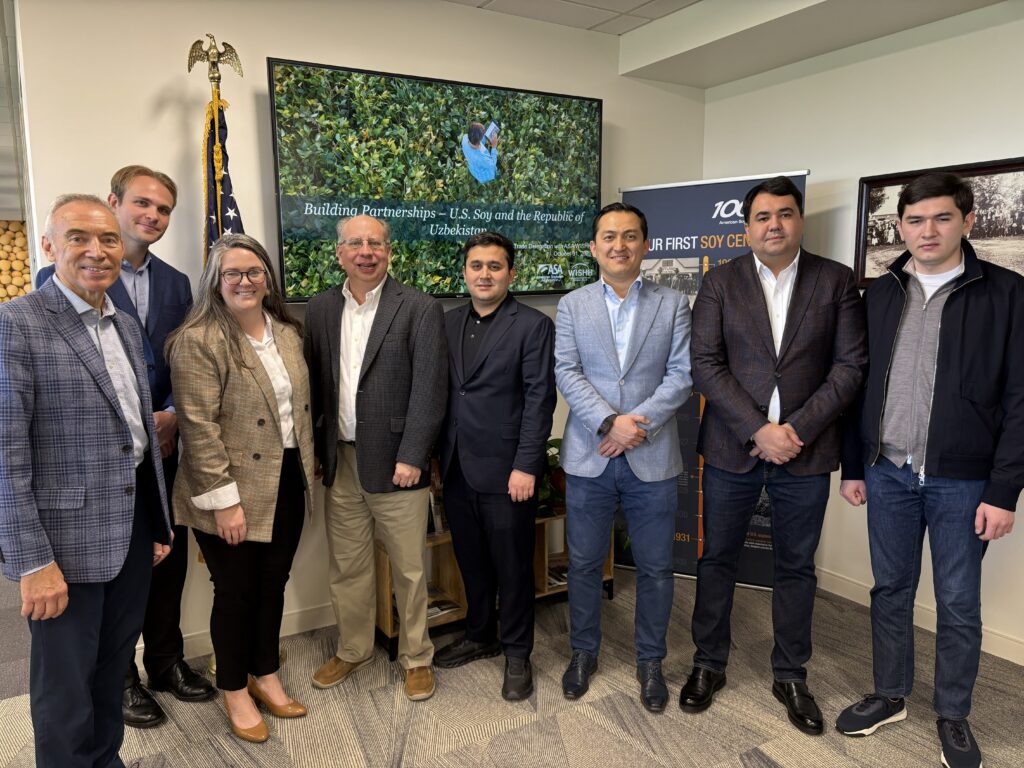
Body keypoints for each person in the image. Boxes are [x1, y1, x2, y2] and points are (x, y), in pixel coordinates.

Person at [836, 172, 1022, 768]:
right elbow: (857, 384)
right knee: (890, 589)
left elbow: (1021, 401)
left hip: (963, 481)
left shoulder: (1007, 294)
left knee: (958, 601)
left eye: (941, 218)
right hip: (886, 470)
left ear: (968, 222)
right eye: (914, 221)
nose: (927, 231)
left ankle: (953, 713)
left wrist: (1004, 491)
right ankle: (890, 694)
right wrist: (853, 465)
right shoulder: (881, 292)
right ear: (900, 227)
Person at [683, 176, 866, 734]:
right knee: (717, 560)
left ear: (799, 220)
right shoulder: (720, 283)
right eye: (763, 217)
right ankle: (707, 663)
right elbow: (705, 363)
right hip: (734, 446)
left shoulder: (836, 282)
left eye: (784, 214)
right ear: (747, 226)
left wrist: (797, 430)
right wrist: (760, 429)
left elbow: (850, 366)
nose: (774, 226)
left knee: (795, 567)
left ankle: (790, 674)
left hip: (805, 454)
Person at [0, 194, 172, 768]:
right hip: (62, 544)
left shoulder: (121, 322)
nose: (97, 251)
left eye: (107, 240)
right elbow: (6, 457)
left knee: (110, 669)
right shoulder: (16, 324)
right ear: (49, 246)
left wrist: (155, 520)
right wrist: (31, 561)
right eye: (79, 237)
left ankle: (105, 760)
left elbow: (135, 433)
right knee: (65, 689)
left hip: (131, 528)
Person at [36, 164, 208, 728]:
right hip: (91, 472)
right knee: (103, 593)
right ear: (115, 202)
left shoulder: (178, 283)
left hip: (161, 453)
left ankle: (165, 660)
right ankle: (125, 678)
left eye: (163, 210)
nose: (152, 217)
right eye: (142, 205)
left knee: (164, 563)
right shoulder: (52, 286)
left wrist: (174, 418)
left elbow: (185, 362)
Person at [166, 233, 314, 743]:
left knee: (273, 584)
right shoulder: (198, 339)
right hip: (227, 489)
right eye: (233, 273)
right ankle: (233, 686)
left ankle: (264, 672)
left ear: (268, 278)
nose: (246, 281)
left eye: (254, 272)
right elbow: (198, 428)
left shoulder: (287, 333)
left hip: (287, 479)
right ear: (216, 281)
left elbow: (298, 414)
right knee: (235, 591)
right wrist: (225, 503)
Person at [554, 201, 692, 713]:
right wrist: (611, 423)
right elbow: (566, 371)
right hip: (589, 456)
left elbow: (681, 375)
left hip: (651, 457)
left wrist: (637, 426)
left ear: (646, 245)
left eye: (630, 236)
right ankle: (583, 653)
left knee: (656, 568)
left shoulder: (673, 304)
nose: (619, 245)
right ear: (594, 248)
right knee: (586, 564)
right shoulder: (572, 305)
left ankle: (650, 661)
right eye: (609, 237)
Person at [304, 215, 447, 701]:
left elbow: (430, 389)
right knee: (347, 566)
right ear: (339, 252)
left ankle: (417, 657)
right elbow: (317, 386)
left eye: (376, 243)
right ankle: (353, 648)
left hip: (397, 465)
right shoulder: (321, 308)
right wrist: (319, 448)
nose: (366, 251)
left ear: (389, 251)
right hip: (340, 462)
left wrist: (413, 455)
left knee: (409, 569)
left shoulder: (419, 307)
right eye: (355, 243)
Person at [434, 231, 556, 700]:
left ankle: (518, 653)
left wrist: (527, 465)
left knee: (513, 567)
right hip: (457, 467)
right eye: (476, 266)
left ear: (511, 273)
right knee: (471, 562)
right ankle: (480, 634)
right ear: (464, 271)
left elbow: (539, 400)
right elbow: (445, 394)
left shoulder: (531, 325)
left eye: (495, 266)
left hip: (509, 473)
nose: (484, 274)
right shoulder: (446, 322)